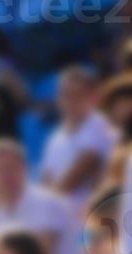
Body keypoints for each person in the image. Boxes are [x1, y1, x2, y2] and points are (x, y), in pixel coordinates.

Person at [40, 65, 114, 211]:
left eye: (77, 95)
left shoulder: (98, 128)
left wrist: (42, 209)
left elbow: (71, 182)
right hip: (61, 216)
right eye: (65, 94)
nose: (70, 101)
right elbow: (47, 180)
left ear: (94, 98)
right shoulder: (56, 136)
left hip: (92, 220)